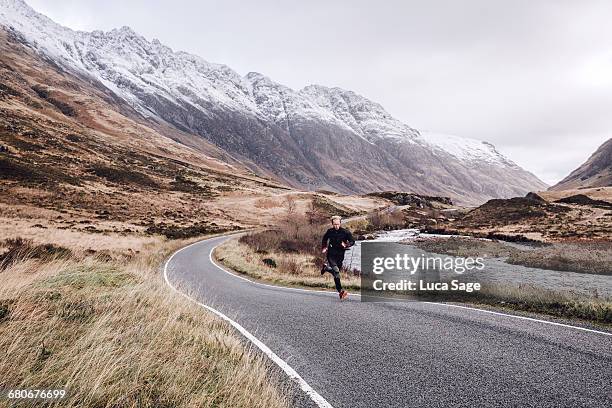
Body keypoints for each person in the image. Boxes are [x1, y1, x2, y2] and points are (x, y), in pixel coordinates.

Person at [321, 215, 355, 300]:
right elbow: (324, 239)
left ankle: (326, 268)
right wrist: (324, 247)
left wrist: (347, 245)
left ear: (340, 223)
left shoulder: (345, 232)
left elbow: (352, 241)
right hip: (331, 254)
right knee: (336, 271)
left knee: (336, 273)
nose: (336, 226)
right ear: (332, 224)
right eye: (334, 224)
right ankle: (340, 291)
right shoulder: (330, 231)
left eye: (338, 224)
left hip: (340, 255)